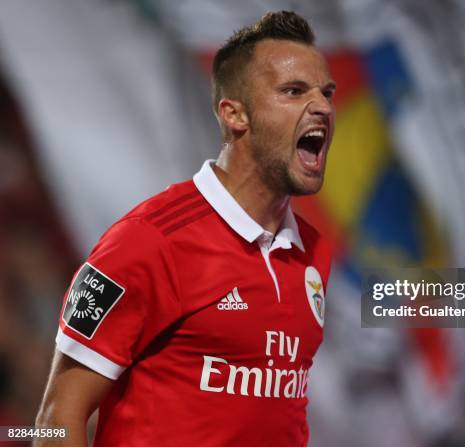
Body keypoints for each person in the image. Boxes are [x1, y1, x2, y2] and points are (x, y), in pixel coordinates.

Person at [35, 10, 336, 446]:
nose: (323, 107)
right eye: (294, 91)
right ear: (235, 115)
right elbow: (55, 421)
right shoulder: (147, 242)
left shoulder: (314, 253)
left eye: (326, 93)